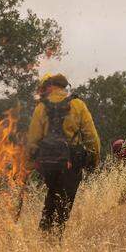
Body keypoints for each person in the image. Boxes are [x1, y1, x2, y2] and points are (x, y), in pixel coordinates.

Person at [25, 73, 101, 238]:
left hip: (48, 163)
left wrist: (29, 167)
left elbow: (32, 140)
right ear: (64, 87)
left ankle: (43, 236)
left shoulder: (41, 107)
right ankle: (55, 241)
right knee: (64, 203)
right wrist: (93, 161)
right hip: (71, 163)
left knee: (52, 195)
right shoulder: (78, 105)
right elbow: (92, 137)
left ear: (51, 86)